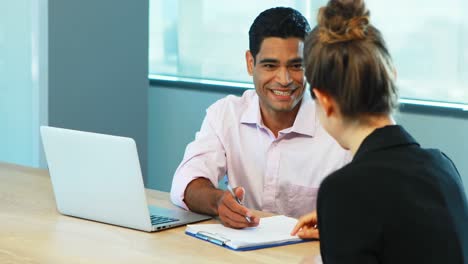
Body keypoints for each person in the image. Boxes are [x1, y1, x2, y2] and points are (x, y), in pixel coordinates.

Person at [291, 0, 468, 263]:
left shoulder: (344, 190)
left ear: (324, 100)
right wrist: (343, 225)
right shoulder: (443, 167)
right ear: (392, 77)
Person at [170, 7, 350, 228]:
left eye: (296, 66)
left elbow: (371, 207)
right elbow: (185, 182)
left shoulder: (341, 127)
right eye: (270, 65)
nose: (284, 79)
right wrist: (217, 201)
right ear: (250, 63)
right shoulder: (226, 115)